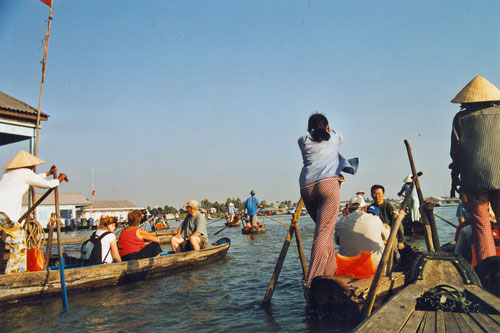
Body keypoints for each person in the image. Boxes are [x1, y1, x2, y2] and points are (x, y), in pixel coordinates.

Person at [298, 113, 358, 287]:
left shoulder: (303, 140)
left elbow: (313, 134)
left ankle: (331, 272)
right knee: (323, 233)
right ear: (327, 128)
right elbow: (339, 136)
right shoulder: (333, 137)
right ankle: (313, 280)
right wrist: (329, 130)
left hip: (307, 187)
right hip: (328, 185)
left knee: (326, 232)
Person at [449, 75, 500, 262]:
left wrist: (455, 179)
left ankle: (488, 267)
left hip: (474, 179)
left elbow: (456, 154)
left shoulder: (461, 118)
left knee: (481, 226)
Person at [0, 150, 67, 274]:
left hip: (2, 214)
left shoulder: (8, 173)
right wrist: (59, 179)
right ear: (29, 165)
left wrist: (48, 173)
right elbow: (47, 185)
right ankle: (15, 272)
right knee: (19, 239)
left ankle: (8, 269)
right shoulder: (25, 173)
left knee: (7, 238)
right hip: (4, 214)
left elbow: (33, 178)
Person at [335, 196, 390, 266]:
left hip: (347, 267)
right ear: (364, 208)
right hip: (374, 267)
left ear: (348, 209)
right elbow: (386, 237)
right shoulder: (375, 219)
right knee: (387, 228)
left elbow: (337, 242)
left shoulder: (340, 222)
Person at [369, 184, 405, 250]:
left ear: (383, 195)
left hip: (390, 236)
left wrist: (401, 241)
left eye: (379, 194)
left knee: (395, 253)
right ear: (371, 195)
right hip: (376, 236)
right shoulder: (370, 208)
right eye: (374, 194)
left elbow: (398, 223)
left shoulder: (389, 206)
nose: (377, 196)